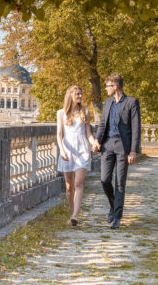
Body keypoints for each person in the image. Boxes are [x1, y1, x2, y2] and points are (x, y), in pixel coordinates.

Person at [94, 73, 141, 229]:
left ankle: (117, 217)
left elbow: (136, 128)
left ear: (115, 87)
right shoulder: (107, 102)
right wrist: (96, 140)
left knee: (120, 182)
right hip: (107, 145)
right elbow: (102, 124)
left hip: (123, 145)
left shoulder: (131, 102)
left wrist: (133, 151)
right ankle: (114, 206)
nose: (106, 89)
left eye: (107, 86)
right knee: (104, 180)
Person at [57, 85, 96, 226]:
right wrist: (61, 150)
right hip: (67, 149)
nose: (80, 96)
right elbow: (59, 135)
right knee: (69, 186)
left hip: (82, 150)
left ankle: (75, 216)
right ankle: (72, 214)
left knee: (78, 183)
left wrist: (93, 143)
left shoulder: (85, 111)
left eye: (81, 93)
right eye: (77, 94)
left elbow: (88, 133)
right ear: (71, 96)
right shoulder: (61, 113)